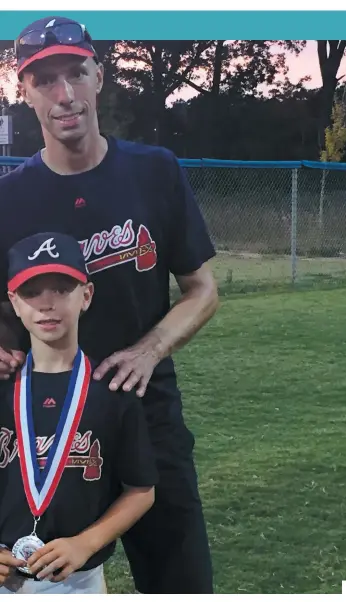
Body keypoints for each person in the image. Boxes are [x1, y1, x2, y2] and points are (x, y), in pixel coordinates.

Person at [0, 16, 218, 594]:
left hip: (144, 412)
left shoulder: (155, 171)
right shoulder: (8, 198)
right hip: (39, 430)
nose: (64, 94)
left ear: (100, 76)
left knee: (182, 584)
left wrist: (151, 348)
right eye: (44, 80)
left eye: (76, 72)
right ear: (24, 92)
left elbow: (202, 289)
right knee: (35, 586)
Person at [0, 231, 158, 594]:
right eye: (31, 292)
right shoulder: (3, 389)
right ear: (14, 302)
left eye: (60, 288)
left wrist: (85, 543)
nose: (46, 303)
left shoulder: (112, 392)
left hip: (77, 583)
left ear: (86, 295)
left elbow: (141, 489)